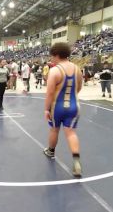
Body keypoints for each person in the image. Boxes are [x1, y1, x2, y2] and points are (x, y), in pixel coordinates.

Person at [43, 42, 83, 178]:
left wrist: (46, 109)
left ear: (57, 55)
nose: (51, 59)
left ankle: (51, 151)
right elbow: (79, 87)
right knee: (71, 133)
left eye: (52, 56)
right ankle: (76, 160)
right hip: (74, 106)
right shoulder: (77, 69)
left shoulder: (54, 71)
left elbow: (49, 93)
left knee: (54, 129)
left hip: (57, 107)